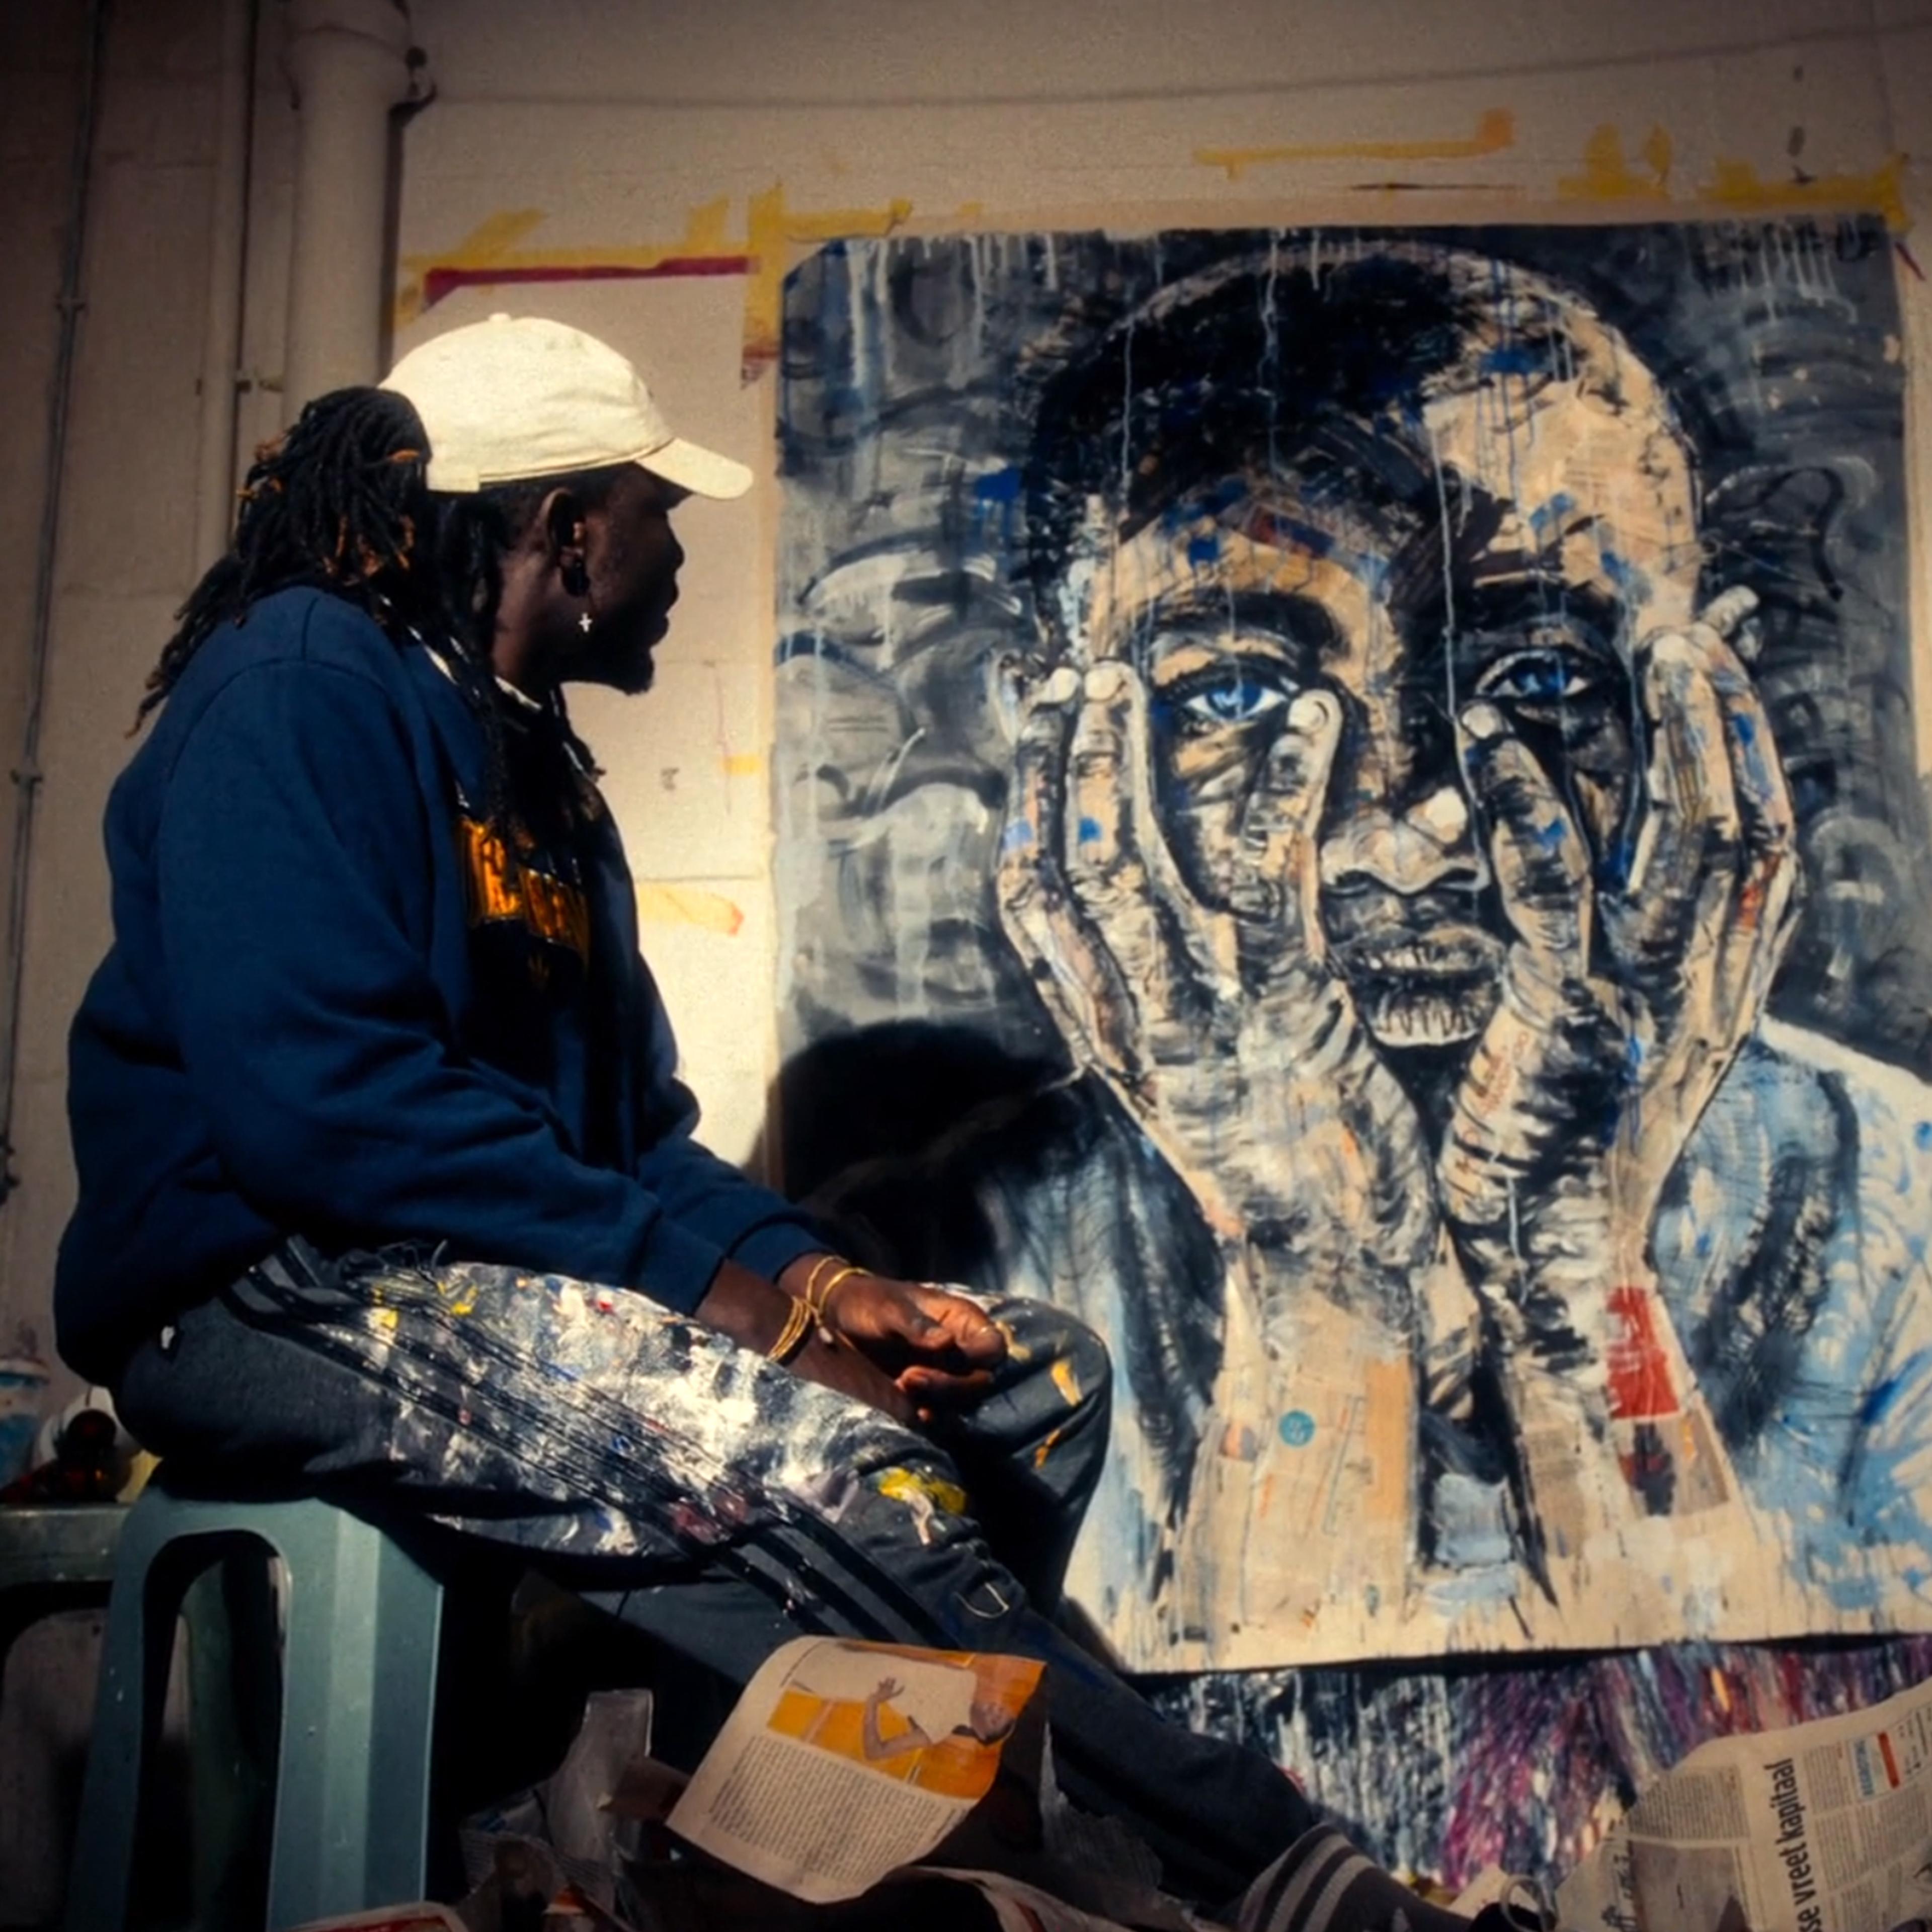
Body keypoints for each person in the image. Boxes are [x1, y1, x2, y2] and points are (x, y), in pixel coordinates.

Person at [52, 312, 1526, 1929]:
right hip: (266, 1279)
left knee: (1029, 1389)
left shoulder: (547, 778)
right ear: (566, 526)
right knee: (806, 1460)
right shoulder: (305, 678)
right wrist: (737, 1317)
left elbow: (635, 1142)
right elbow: (328, 1114)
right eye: (659, 512)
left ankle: (776, 1837)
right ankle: (1276, 1874)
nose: (678, 553)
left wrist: (818, 1283)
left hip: (463, 1270)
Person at [949, 242, 1932, 1662]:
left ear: (1711, 711)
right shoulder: (968, 1273)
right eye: (1235, 688)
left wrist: (1572, 1260)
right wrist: (1314, 1271)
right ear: (1055, 743)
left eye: (1538, 676)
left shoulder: (1899, 1224)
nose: (1398, 827)